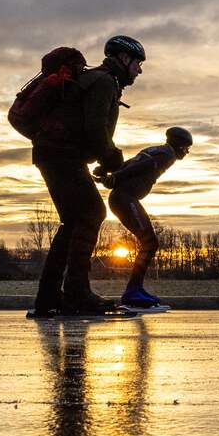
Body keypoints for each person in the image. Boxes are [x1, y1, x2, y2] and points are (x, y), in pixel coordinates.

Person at [31, 35, 145, 316]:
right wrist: (112, 158)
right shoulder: (104, 82)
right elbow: (95, 129)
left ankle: (49, 297)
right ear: (123, 59)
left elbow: (86, 129)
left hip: (54, 154)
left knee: (72, 221)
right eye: (138, 63)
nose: (139, 70)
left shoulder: (99, 80)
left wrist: (102, 158)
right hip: (61, 155)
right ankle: (77, 294)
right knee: (93, 211)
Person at [96, 127, 193, 309]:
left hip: (122, 198)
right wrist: (115, 177)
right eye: (186, 148)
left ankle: (136, 288)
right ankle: (133, 291)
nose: (186, 152)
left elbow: (130, 164)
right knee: (150, 243)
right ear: (179, 145)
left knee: (149, 243)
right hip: (125, 199)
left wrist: (109, 176)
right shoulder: (167, 154)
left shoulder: (153, 149)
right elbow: (142, 166)